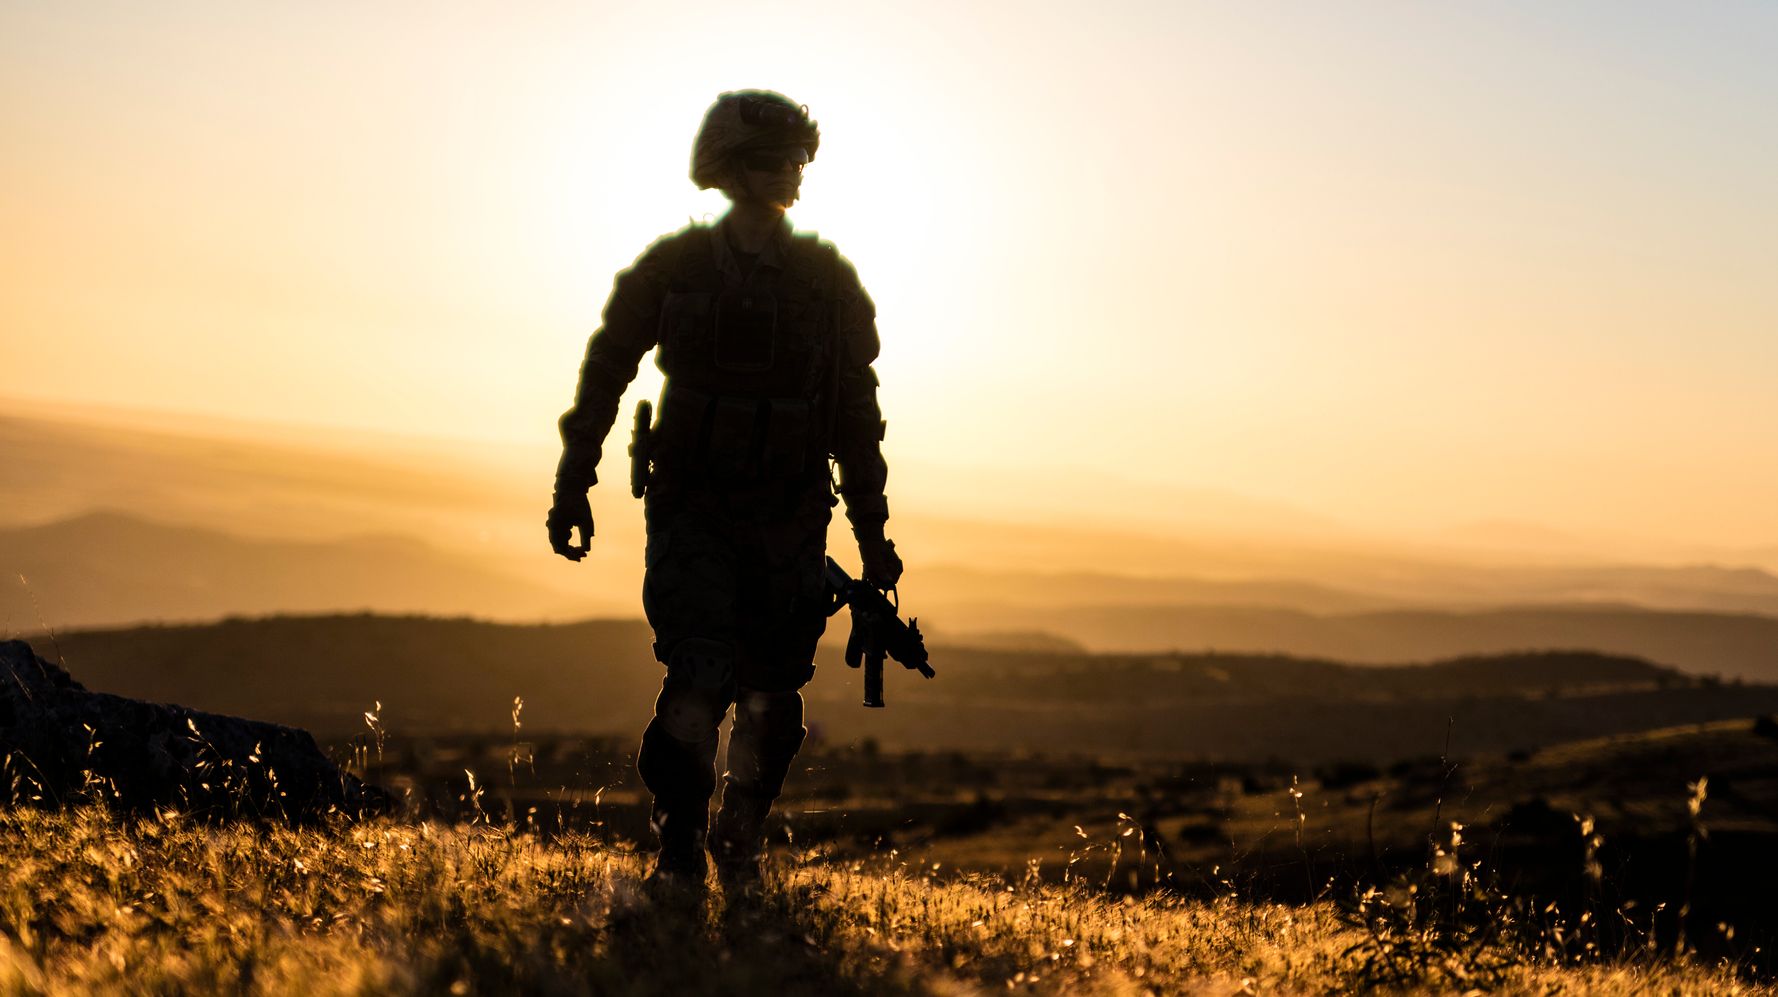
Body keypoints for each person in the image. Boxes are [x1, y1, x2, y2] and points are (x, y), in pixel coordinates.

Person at [546, 90, 903, 895]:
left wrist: (873, 533)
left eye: (795, 162)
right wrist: (574, 483)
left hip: (790, 516)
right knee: (698, 677)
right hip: (693, 508)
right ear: (729, 168)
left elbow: (857, 415)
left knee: (774, 697)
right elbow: (603, 375)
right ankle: (680, 838)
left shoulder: (827, 283)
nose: (788, 175)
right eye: (772, 160)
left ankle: (739, 829)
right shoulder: (673, 270)